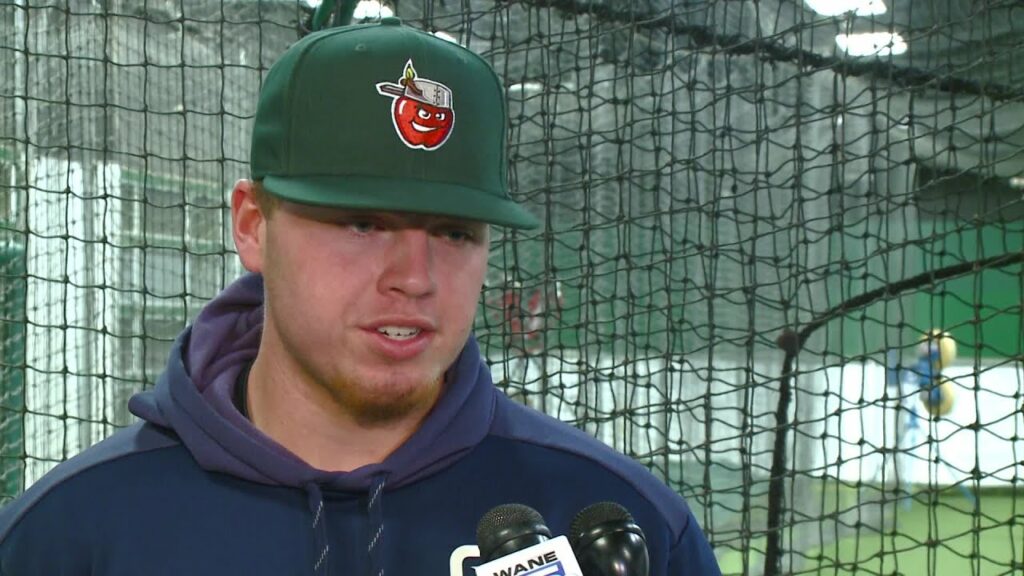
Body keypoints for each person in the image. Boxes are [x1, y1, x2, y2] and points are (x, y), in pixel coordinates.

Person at [0, 18, 721, 575]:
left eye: (455, 232)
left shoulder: (623, 523)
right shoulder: (73, 533)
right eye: (362, 222)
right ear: (253, 226)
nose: (415, 275)